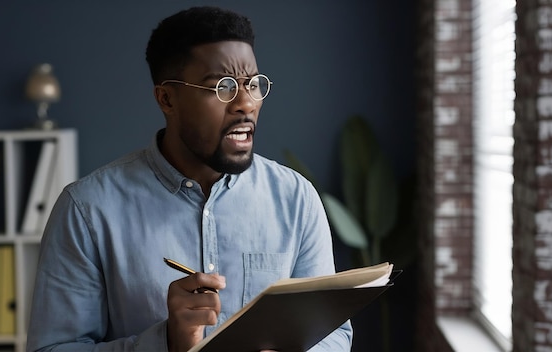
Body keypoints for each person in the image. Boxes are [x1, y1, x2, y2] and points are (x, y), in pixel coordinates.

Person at [26, 5, 353, 352]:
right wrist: (166, 344)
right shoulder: (87, 210)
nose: (246, 103)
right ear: (167, 98)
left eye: (253, 84)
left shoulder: (296, 199)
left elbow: (332, 335)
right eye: (223, 87)